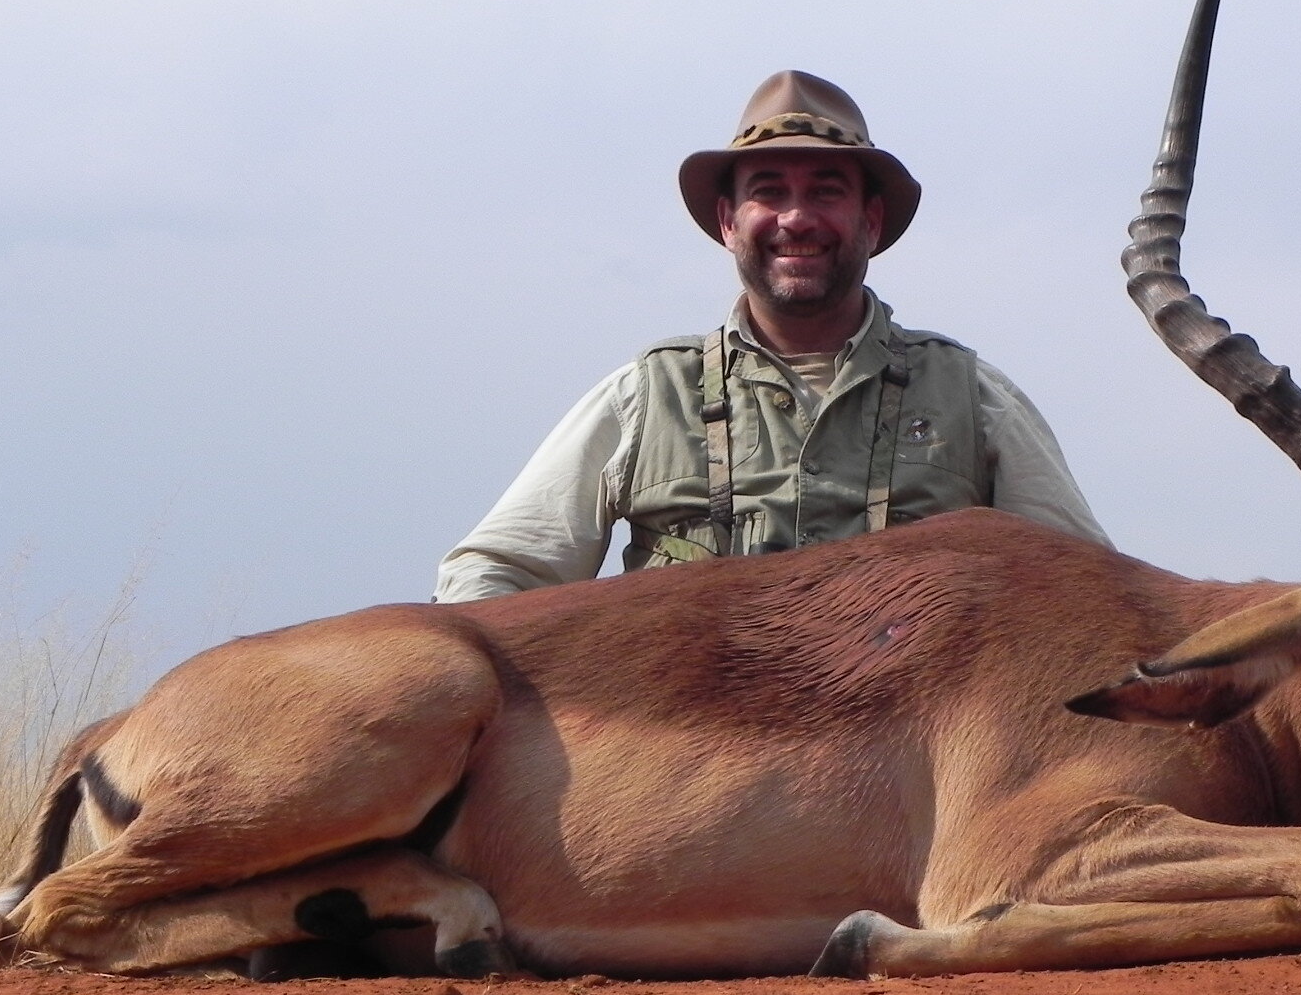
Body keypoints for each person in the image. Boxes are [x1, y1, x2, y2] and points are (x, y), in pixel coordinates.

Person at [434, 70, 1108, 600]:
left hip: (911, 761)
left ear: (871, 220)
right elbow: (490, 575)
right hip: (690, 758)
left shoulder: (973, 397)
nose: (796, 217)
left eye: (826, 190)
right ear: (729, 219)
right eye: (768, 190)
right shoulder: (648, 395)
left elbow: (1089, 593)